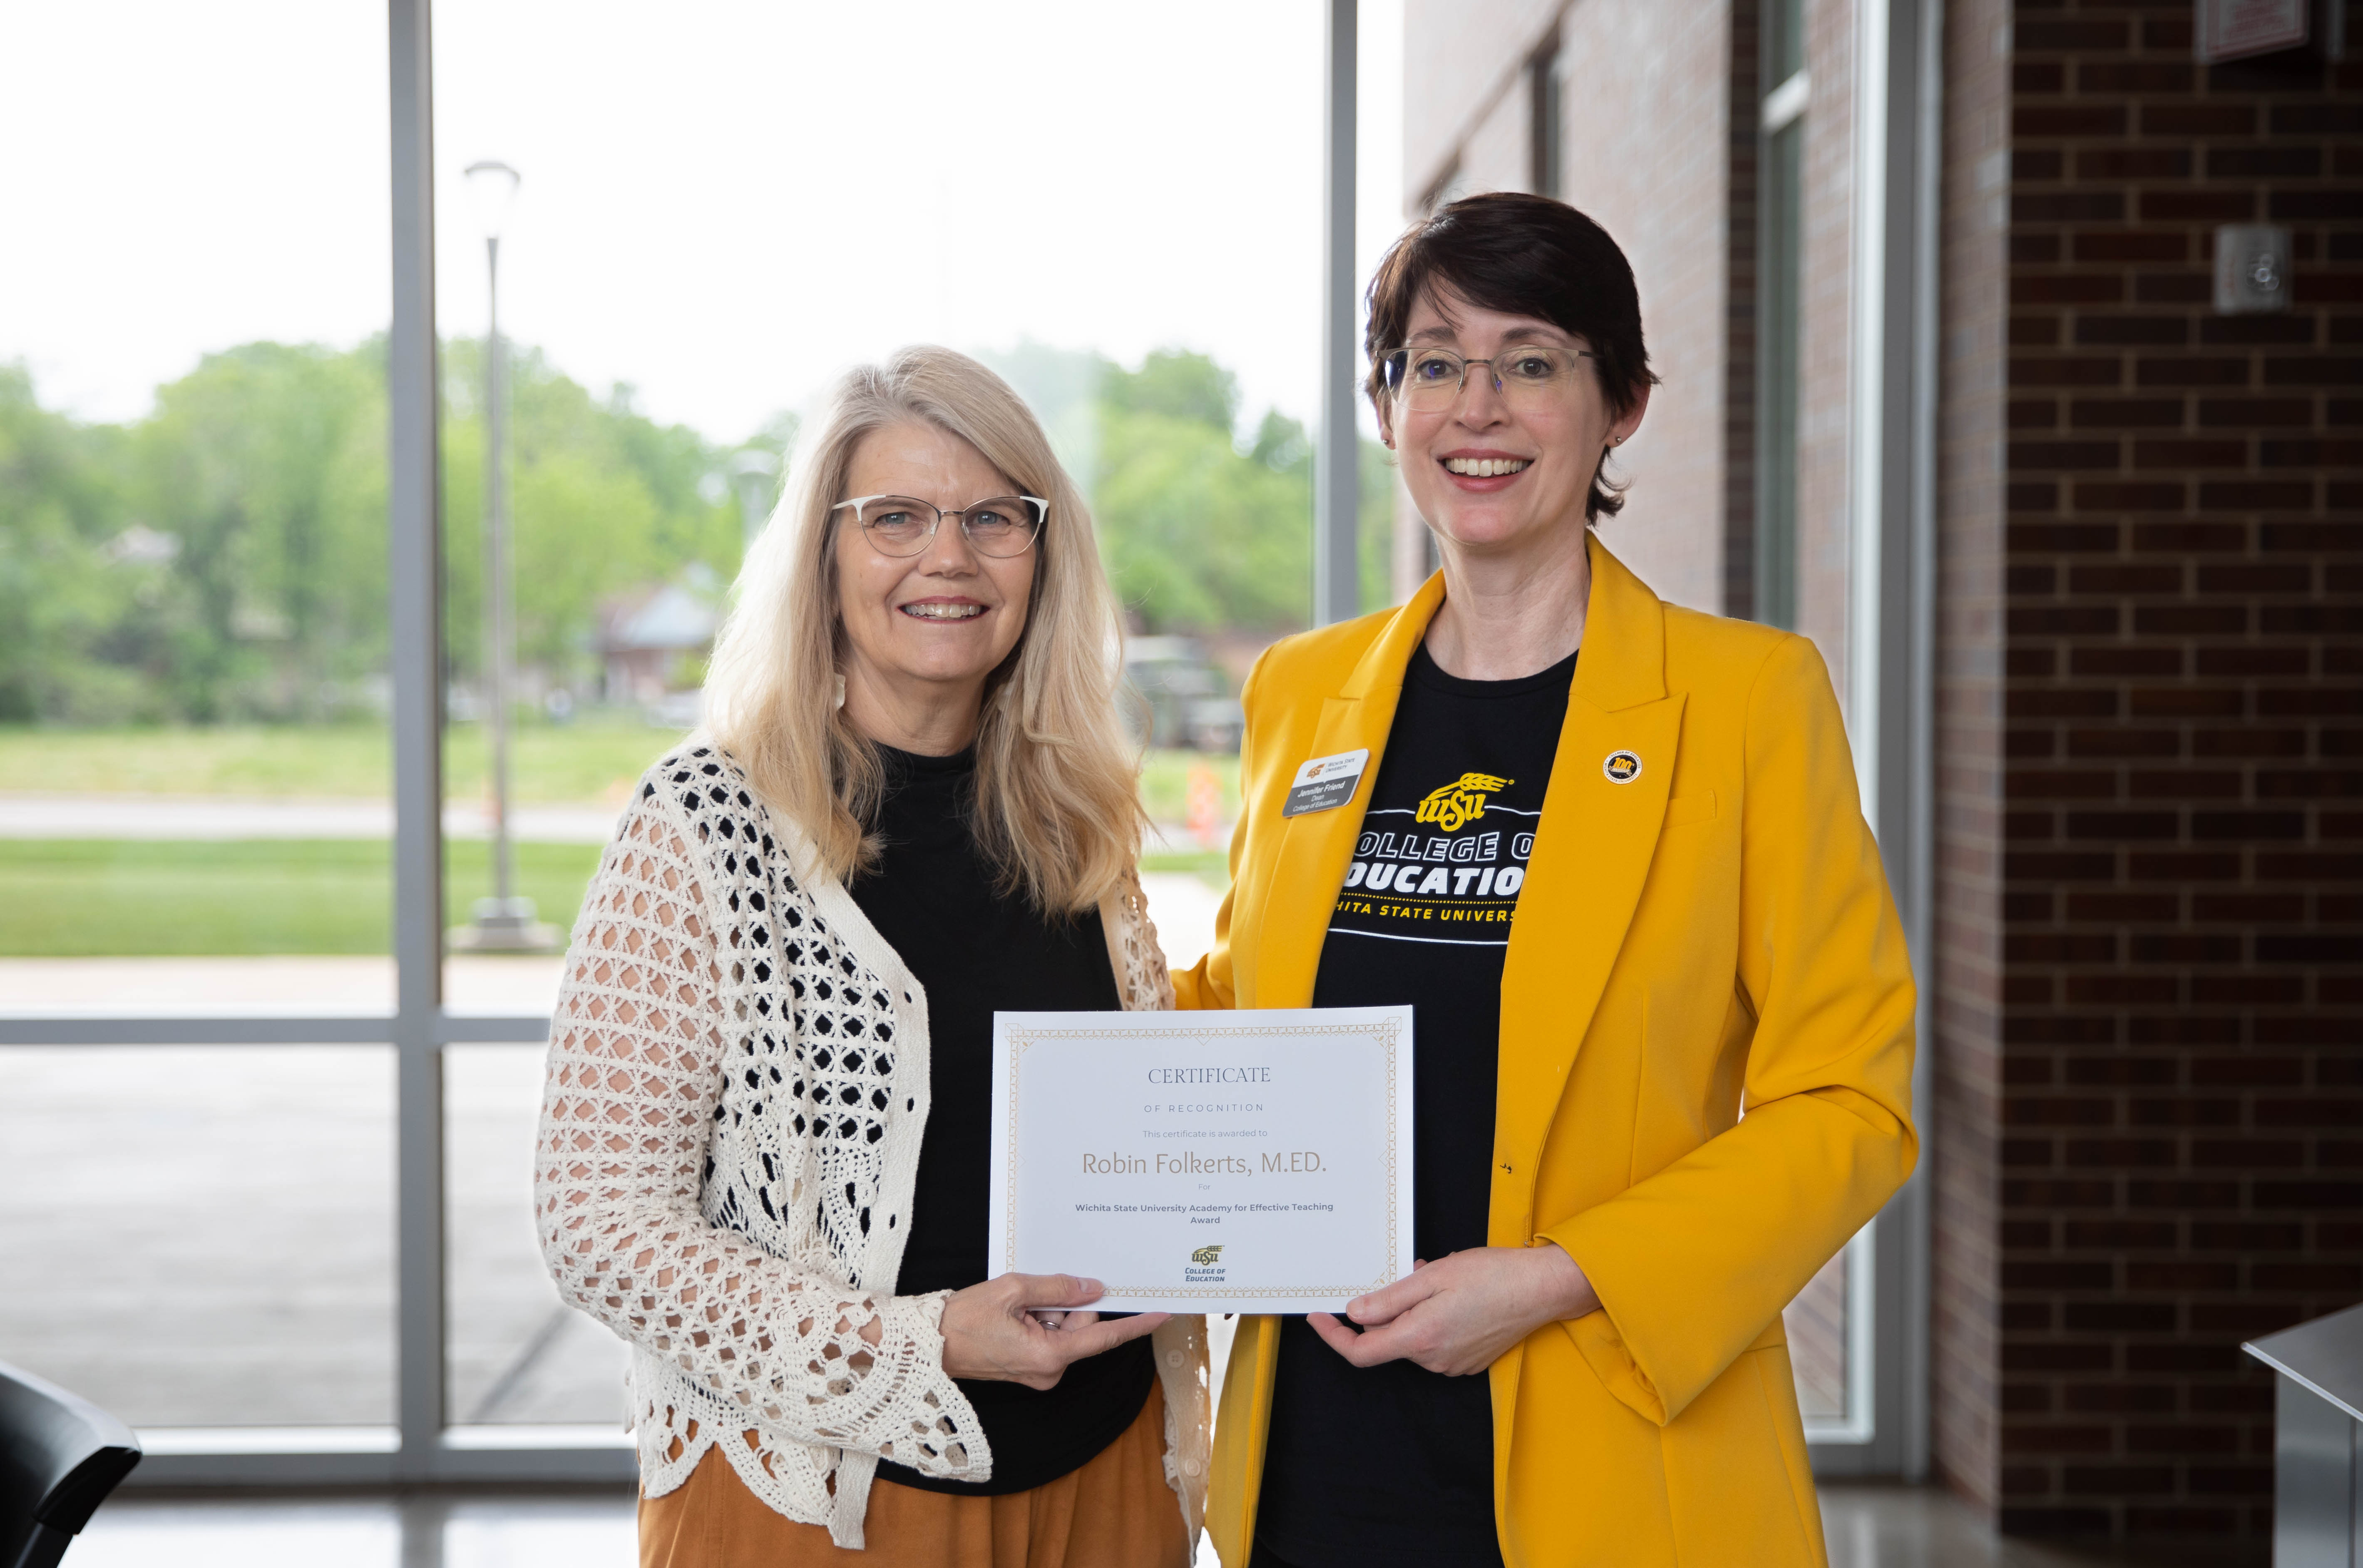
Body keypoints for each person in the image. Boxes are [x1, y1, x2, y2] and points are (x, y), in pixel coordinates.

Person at [1176, 193, 1917, 1568]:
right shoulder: (1302, 696)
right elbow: (1239, 1008)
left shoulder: (1748, 702)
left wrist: (1556, 1280)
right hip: (1318, 1467)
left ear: (1620, 401)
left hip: (1623, 1445)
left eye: (1531, 360)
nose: (1478, 406)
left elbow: (1851, 1102)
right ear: (1387, 405)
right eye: (1434, 361)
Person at [536, 346, 1208, 1567]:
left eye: (993, 516)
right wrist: (925, 1340)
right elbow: (598, 1224)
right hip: (817, 1500)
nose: (947, 557)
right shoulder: (705, 822)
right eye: (894, 516)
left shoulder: (1078, 819)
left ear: (1042, 553)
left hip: (1111, 1482)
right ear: (825, 554)